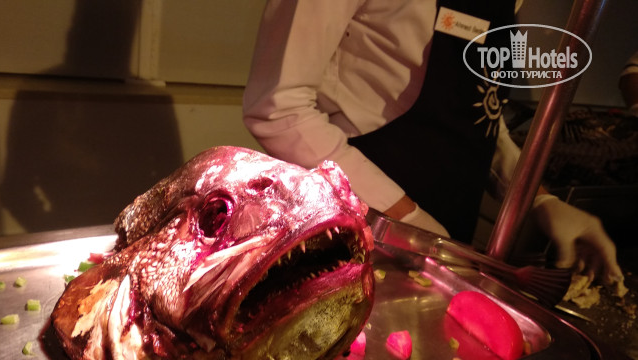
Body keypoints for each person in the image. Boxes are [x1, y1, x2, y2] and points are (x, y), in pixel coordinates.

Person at [242, 0, 624, 287]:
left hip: (447, 254)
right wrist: (411, 223)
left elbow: (476, 115)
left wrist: (539, 199)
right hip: (351, 247)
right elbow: (279, 111)